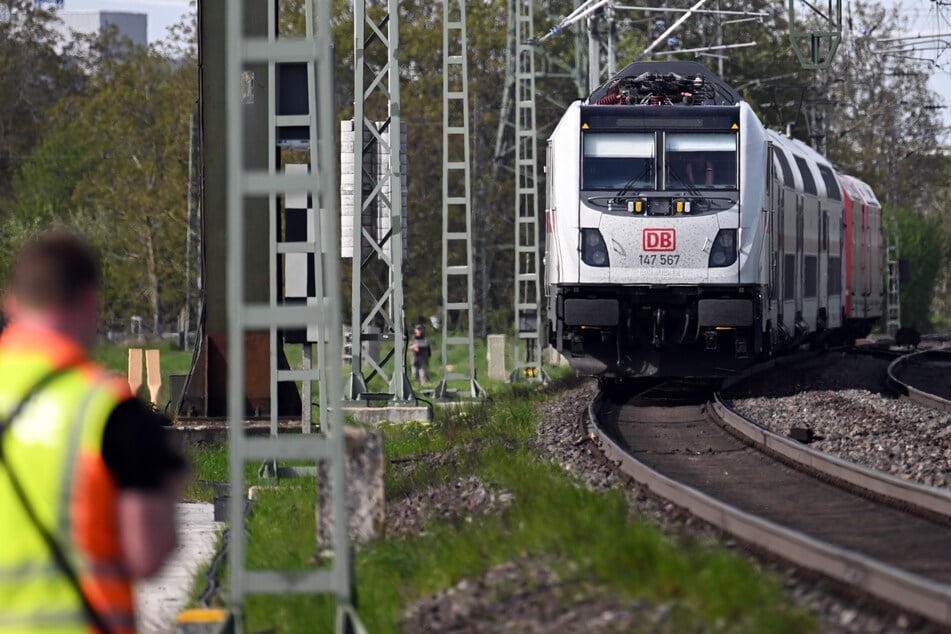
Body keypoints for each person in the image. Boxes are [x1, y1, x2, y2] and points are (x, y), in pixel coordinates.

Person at [0, 231, 187, 634]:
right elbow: (147, 556)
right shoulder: (106, 409)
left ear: (11, 303)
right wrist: (168, 486)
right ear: (90, 302)